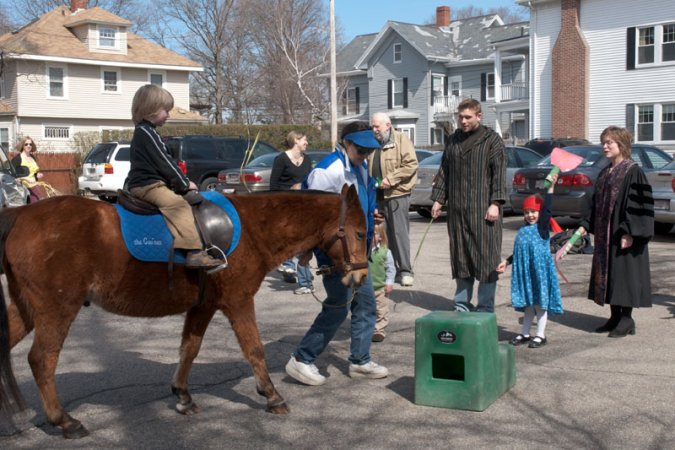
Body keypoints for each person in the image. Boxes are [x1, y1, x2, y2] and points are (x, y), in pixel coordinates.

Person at [285, 121, 389, 386]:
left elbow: (358, 202)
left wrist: (371, 219)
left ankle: (360, 361)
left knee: (365, 304)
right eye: (361, 150)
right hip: (335, 251)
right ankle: (301, 359)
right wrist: (306, 250)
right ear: (347, 143)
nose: (365, 155)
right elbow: (308, 213)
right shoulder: (328, 171)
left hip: (356, 247)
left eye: (369, 151)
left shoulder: (360, 166)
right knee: (339, 305)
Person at [126, 84, 221, 269]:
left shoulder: (145, 132)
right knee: (178, 205)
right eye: (166, 111)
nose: (169, 115)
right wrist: (185, 184)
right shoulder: (147, 133)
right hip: (148, 186)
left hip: (149, 183)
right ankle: (194, 252)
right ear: (151, 110)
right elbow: (165, 163)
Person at [573, 126, 653, 337]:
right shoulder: (605, 172)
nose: (605, 146)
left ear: (622, 145)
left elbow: (641, 205)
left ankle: (626, 319)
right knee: (609, 276)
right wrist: (585, 225)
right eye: (603, 142)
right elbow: (596, 204)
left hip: (623, 234)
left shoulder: (633, 171)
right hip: (604, 235)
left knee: (624, 276)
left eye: (610, 142)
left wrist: (630, 232)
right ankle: (614, 317)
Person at [430, 98, 507, 313]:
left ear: (478, 116)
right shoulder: (453, 140)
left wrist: (495, 203)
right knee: (461, 257)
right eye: (460, 117)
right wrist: (438, 199)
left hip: (484, 211)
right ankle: (461, 305)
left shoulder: (492, 140)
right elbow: (445, 170)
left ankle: (484, 308)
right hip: (457, 211)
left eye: (467, 117)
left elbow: (499, 174)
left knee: (486, 259)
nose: (463, 121)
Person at [497, 175, 563, 348]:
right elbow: (519, 253)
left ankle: (540, 335)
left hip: (539, 272)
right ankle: (524, 333)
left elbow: (547, 209)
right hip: (526, 272)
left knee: (540, 304)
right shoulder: (523, 230)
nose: (530, 215)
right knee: (528, 305)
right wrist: (507, 261)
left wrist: (550, 189)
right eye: (527, 212)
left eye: (533, 212)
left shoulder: (541, 228)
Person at [370, 112, 418, 286]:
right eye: (372, 126)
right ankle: (387, 270)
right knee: (381, 235)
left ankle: (405, 270)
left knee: (399, 234)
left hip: (397, 194)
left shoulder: (400, 140)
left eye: (377, 126)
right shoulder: (372, 143)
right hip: (376, 195)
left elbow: (411, 164)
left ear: (388, 125)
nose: (374, 130)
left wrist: (392, 179)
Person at [270, 130, 314, 294]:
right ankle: (287, 265)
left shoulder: (307, 159)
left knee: (304, 244)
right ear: (295, 140)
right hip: (284, 206)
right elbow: (273, 186)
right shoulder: (281, 159)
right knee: (288, 238)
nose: (307, 143)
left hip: (303, 207)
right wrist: (290, 190)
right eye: (304, 139)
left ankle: (306, 283)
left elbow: (310, 182)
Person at [370, 221, 396, 342]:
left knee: (381, 310)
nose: (370, 235)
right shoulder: (360, 251)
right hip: (363, 288)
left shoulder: (385, 252)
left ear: (380, 236)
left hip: (380, 288)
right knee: (364, 309)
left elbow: (390, 269)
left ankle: (379, 330)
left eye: (374, 233)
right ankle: (365, 328)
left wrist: (389, 282)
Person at [12, 136, 58, 202]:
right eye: (26, 144)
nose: (28, 146)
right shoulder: (17, 159)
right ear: (22, 146)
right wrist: (24, 178)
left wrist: (36, 175)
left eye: (30, 144)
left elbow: (33, 173)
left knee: (38, 205)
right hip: (24, 189)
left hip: (34, 187)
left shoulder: (32, 157)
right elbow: (12, 175)